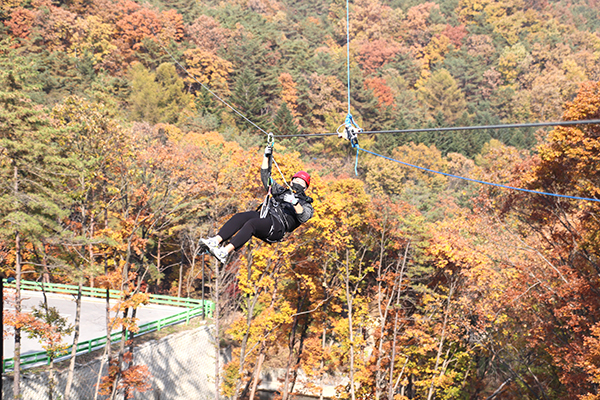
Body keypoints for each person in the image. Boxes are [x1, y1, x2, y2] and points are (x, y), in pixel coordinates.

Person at [200, 144, 314, 263]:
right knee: (240, 217)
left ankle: (224, 252)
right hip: (266, 217)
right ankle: (215, 241)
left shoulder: (306, 204)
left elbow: (304, 216)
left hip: (278, 227)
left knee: (252, 224)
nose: (297, 182)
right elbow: (265, 176)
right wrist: (266, 156)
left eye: (301, 182)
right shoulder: (280, 192)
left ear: (305, 188)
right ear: (291, 181)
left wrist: (294, 202)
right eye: (296, 180)